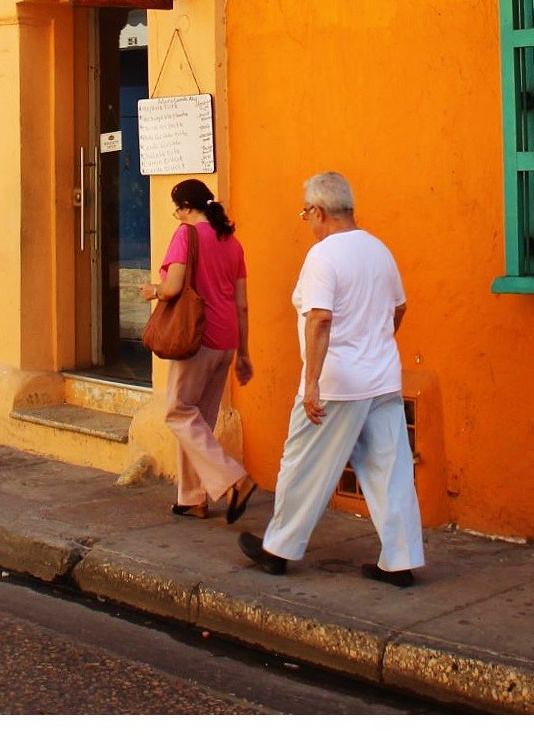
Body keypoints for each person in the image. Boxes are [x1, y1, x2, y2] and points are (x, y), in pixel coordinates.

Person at [238, 171, 424, 586]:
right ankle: (401, 560)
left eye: (306, 214)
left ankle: (278, 549)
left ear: (318, 212)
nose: (307, 222)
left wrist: (313, 384)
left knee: (302, 463)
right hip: (381, 379)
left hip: (338, 383)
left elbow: (320, 318)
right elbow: (399, 308)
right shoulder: (378, 249)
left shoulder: (324, 256)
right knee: (389, 470)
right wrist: (373, 344)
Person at [140, 179, 259, 523]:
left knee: (178, 412)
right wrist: (245, 352)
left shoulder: (186, 234)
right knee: (199, 422)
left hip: (196, 336)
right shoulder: (232, 243)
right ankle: (192, 498)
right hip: (226, 340)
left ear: (188, 207)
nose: (177, 216)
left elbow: (174, 286)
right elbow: (243, 305)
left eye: (177, 209)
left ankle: (234, 480)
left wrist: (153, 291)